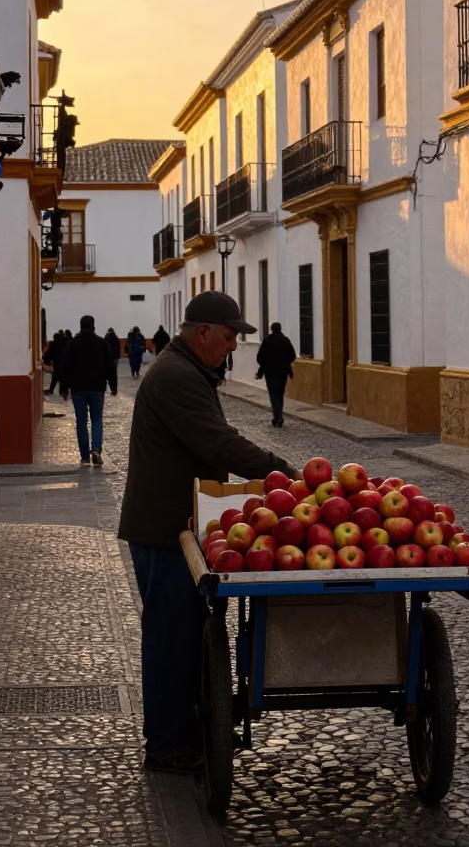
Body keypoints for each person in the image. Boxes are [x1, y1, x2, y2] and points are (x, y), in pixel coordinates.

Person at [118, 291, 299, 776]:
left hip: (180, 526)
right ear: (202, 333)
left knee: (186, 634)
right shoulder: (178, 376)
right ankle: (167, 744)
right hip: (164, 531)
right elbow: (218, 444)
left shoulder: (187, 370)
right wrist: (284, 474)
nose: (232, 347)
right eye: (227, 337)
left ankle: (189, 729)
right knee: (170, 637)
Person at [59, 315, 118, 466]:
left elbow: (65, 367)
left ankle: (85, 455)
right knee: (97, 419)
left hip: (78, 388)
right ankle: (96, 449)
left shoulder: (72, 344)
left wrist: (64, 388)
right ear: (93, 326)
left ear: (80, 326)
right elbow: (110, 366)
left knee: (81, 422)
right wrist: (113, 385)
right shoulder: (102, 343)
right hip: (97, 388)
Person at [256, 321, 297, 427]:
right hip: (282, 371)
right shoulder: (285, 341)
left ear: (272, 329)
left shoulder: (267, 341)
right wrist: (284, 362)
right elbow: (292, 356)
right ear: (280, 329)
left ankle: (277, 416)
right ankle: (279, 416)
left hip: (270, 372)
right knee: (279, 393)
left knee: (273, 394)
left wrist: (265, 365)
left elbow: (260, 357)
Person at [42, 330, 67, 395]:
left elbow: (50, 354)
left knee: (55, 378)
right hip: (63, 362)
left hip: (56, 362)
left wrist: (50, 360)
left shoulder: (53, 343)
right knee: (62, 378)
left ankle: (51, 390)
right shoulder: (65, 343)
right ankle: (62, 392)